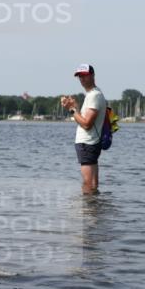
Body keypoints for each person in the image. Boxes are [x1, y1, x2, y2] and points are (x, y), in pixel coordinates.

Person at [60, 64, 107, 194]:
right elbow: (85, 120)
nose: (82, 79)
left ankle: (87, 211)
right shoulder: (93, 94)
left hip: (88, 143)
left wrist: (71, 110)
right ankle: (93, 210)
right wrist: (76, 108)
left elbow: (87, 124)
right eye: (79, 76)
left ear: (92, 75)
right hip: (90, 143)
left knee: (88, 183)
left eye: (85, 75)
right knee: (92, 183)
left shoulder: (94, 95)